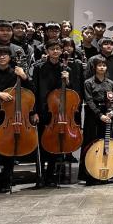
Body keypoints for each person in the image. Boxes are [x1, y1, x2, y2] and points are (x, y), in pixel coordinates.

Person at [33, 39, 83, 186]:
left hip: (59, 112)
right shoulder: (39, 67)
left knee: (56, 143)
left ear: (62, 51)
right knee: (42, 143)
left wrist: (67, 81)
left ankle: (51, 175)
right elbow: (34, 89)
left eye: (58, 49)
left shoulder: (66, 69)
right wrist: (34, 111)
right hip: (43, 110)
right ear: (46, 51)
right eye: (52, 49)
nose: (55, 51)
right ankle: (40, 176)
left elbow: (72, 92)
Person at [0, 45, 33, 193]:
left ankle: (6, 180)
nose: (1, 57)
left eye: (4, 54)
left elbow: (31, 91)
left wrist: (24, 77)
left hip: (13, 117)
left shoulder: (16, 73)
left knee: (10, 150)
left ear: (9, 57)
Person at [82, 57, 113, 185]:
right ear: (94, 67)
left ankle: (104, 172)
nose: (102, 67)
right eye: (99, 65)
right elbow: (89, 101)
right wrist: (99, 115)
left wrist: (111, 111)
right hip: (93, 115)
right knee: (92, 144)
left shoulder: (110, 83)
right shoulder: (88, 82)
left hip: (107, 114)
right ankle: (90, 175)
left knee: (105, 143)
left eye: (104, 65)